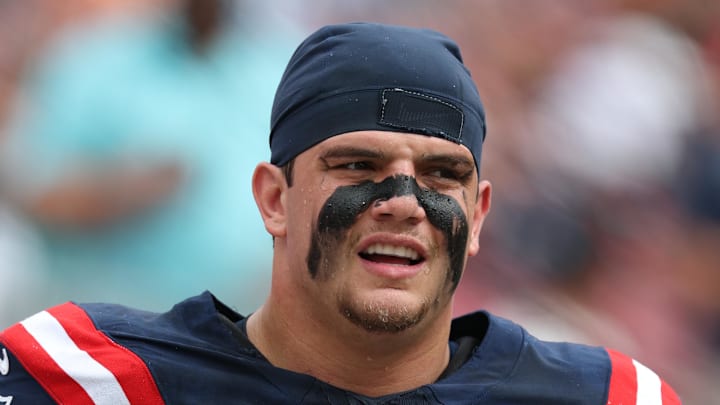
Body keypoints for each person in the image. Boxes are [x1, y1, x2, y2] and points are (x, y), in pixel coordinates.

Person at [0, 22, 681, 404]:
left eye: (443, 174)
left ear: (478, 215)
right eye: (358, 166)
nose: (404, 202)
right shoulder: (93, 378)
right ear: (273, 198)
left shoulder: (609, 398)